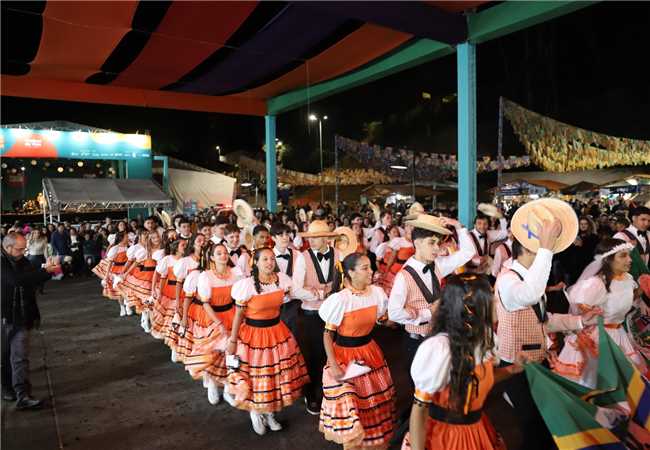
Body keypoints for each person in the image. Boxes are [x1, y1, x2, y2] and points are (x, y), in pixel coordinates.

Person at [494, 199, 601, 450]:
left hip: (536, 361)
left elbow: (543, 319)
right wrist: (545, 248)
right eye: (545, 252)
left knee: (542, 423)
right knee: (532, 424)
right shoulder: (508, 280)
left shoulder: (526, 280)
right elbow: (530, 295)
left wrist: (578, 320)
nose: (550, 257)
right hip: (517, 365)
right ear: (529, 250)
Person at [402, 274, 523, 450]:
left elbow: (480, 380)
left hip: (477, 430)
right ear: (471, 308)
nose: (496, 301)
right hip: (446, 438)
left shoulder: (482, 339)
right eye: (490, 296)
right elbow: (419, 410)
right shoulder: (440, 349)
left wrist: (513, 369)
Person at [226, 248, 310, 435]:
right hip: (253, 335)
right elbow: (239, 314)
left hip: (277, 333)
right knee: (257, 376)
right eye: (264, 259)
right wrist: (232, 340)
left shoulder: (282, 280)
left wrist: (319, 292)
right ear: (255, 262)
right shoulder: (246, 285)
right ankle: (256, 410)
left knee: (275, 375)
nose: (270, 262)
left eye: (272, 258)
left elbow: (298, 293)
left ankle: (270, 411)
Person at [319, 253, 396, 449]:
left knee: (371, 403)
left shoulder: (377, 293)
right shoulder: (340, 300)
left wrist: (400, 318)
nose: (371, 271)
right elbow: (327, 335)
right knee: (353, 405)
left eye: (370, 267)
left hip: (370, 353)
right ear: (351, 273)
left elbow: (382, 319)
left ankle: (371, 441)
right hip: (345, 356)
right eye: (365, 268)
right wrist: (334, 365)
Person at [552, 239, 648, 388]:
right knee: (597, 384)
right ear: (608, 260)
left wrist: (641, 290)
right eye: (623, 256)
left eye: (629, 255)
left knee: (626, 384)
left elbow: (621, 302)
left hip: (619, 334)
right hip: (598, 338)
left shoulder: (627, 279)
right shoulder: (596, 284)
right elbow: (580, 312)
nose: (630, 260)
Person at [1, 232, 58, 409]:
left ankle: (22, 395)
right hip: (4, 317)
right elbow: (16, 281)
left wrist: (47, 272)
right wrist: (44, 272)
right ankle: (7, 388)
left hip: (22, 317)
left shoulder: (22, 260)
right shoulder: (2, 262)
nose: (23, 252)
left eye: (24, 248)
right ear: (8, 247)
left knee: (20, 357)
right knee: (4, 357)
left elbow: (32, 279)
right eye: (20, 249)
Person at [184, 243, 243, 404]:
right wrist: (218, 323)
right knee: (213, 353)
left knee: (231, 353)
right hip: (212, 316)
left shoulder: (235, 273)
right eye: (219, 253)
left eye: (225, 253)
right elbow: (205, 303)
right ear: (211, 257)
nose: (223, 256)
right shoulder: (206, 276)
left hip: (232, 314)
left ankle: (228, 387)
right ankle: (211, 383)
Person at [299, 220, 343, 415]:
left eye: (316, 237)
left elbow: (341, 281)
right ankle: (310, 394)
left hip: (333, 314)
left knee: (331, 354)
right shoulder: (303, 257)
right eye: (310, 238)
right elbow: (296, 288)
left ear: (327, 238)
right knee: (312, 356)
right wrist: (318, 294)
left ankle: (329, 391)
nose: (312, 241)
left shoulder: (338, 255)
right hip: (311, 313)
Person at [26, 228, 48, 294]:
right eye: (35, 233)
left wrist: (47, 259)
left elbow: (45, 251)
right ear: (32, 234)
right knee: (32, 275)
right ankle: (33, 288)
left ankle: (41, 289)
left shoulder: (43, 240)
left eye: (38, 233)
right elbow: (26, 250)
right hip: (31, 259)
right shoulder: (29, 240)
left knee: (42, 274)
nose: (37, 234)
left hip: (41, 259)